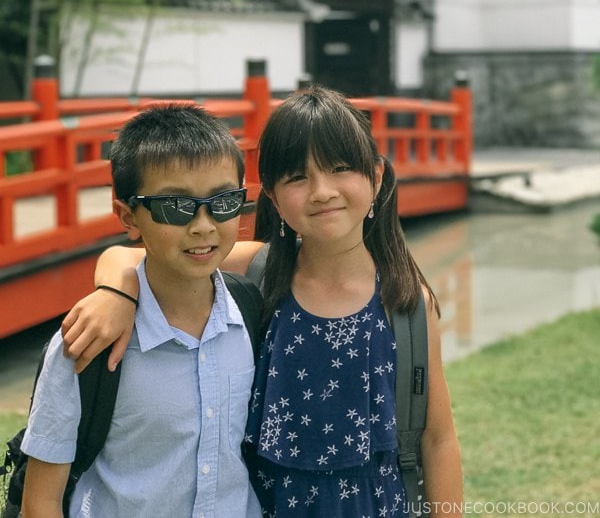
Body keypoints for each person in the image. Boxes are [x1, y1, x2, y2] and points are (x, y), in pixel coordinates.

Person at [62, 86, 463, 516]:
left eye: (341, 168)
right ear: (271, 196)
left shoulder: (406, 303)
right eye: (297, 177)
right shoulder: (259, 271)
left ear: (377, 178)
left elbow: (437, 439)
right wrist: (117, 292)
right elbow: (126, 254)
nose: (322, 191)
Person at [21, 103, 261, 518]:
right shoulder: (86, 343)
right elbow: (40, 502)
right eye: (175, 206)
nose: (203, 225)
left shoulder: (252, 316)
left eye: (223, 201)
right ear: (129, 217)